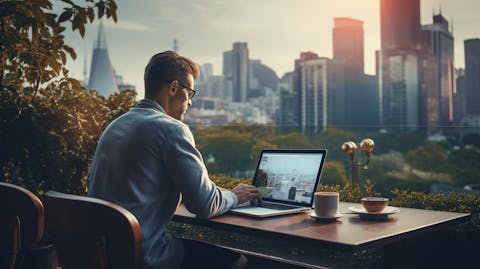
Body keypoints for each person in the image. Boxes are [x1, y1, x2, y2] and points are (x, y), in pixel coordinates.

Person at [87, 51, 261, 269]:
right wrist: (234, 196)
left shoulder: (116, 125)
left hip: (106, 255)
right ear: (173, 88)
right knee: (236, 261)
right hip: (146, 256)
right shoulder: (171, 129)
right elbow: (205, 204)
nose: (190, 103)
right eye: (190, 93)